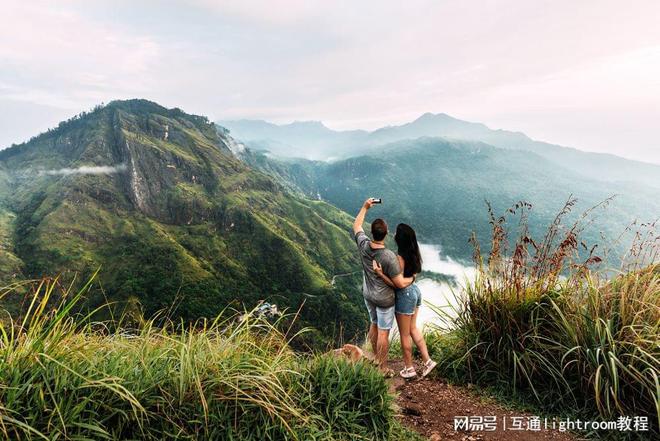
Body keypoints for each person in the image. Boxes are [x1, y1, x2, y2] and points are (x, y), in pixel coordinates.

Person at [353, 198, 413, 376]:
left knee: (373, 324)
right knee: (383, 333)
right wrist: (412, 278)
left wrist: (364, 207)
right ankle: (383, 368)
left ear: (371, 232)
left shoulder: (363, 245)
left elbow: (356, 226)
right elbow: (400, 283)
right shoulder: (388, 257)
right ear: (386, 234)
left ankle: (376, 358)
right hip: (384, 299)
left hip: (368, 294)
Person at [373, 223, 437, 379]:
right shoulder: (414, 253)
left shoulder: (398, 258)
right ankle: (427, 361)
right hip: (415, 291)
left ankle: (409, 368)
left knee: (404, 334)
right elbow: (412, 275)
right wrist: (412, 279)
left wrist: (380, 274)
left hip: (405, 296)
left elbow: (398, 284)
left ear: (399, 239)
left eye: (396, 233)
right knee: (413, 328)